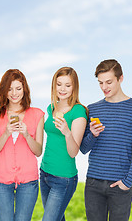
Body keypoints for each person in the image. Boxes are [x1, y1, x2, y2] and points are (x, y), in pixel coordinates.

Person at [80, 59, 132, 221]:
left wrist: (127, 182)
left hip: (120, 184)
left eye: (109, 82)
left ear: (121, 78)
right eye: (100, 83)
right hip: (93, 184)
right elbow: (83, 148)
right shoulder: (93, 108)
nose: (104, 87)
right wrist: (93, 136)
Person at [0, 69, 44, 221]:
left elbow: (38, 151)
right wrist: (6, 133)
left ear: (24, 90)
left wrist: (26, 135)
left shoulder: (37, 114)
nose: (14, 93)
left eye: (18, 88)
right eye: (9, 88)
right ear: (4, 91)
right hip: (1, 180)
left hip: (28, 180)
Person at [40, 67, 87, 221]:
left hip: (63, 178)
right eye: (59, 84)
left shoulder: (78, 111)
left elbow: (73, 152)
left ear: (74, 87)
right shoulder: (52, 107)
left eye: (68, 85)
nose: (62, 89)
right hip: (45, 172)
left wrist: (67, 132)